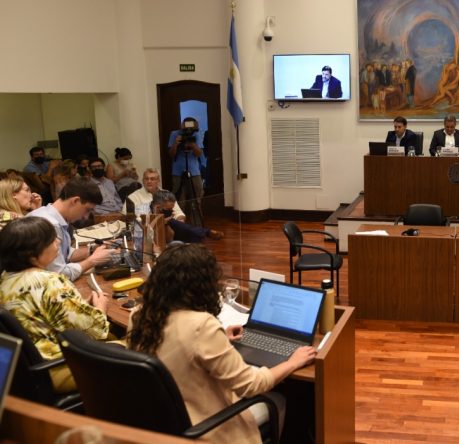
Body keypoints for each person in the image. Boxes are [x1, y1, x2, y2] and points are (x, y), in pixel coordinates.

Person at [129, 243, 316, 444]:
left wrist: (220, 340)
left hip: (164, 422)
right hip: (204, 426)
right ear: (202, 284)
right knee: (284, 397)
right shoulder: (201, 326)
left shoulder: (139, 315)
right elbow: (253, 385)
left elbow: (176, 350)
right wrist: (293, 362)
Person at [0, 216, 109, 392]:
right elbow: (96, 330)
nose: (58, 241)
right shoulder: (49, 282)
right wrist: (101, 307)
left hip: (25, 371)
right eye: (51, 240)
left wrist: (77, 305)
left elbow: (40, 314)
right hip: (59, 366)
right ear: (32, 254)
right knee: (136, 346)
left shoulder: (5, 278)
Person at [28, 177, 114, 281]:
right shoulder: (50, 225)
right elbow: (59, 275)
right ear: (75, 201)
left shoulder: (49, 214)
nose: (86, 217)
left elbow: (65, 253)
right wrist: (92, 261)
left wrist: (92, 250)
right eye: (87, 210)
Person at [150, 190, 223, 242]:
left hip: (173, 232)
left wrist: (166, 223)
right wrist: (163, 222)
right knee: (174, 223)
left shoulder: (166, 211)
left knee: (194, 237)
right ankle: (206, 232)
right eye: (168, 209)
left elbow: (179, 215)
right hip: (155, 237)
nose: (171, 211)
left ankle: (203, 234)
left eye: (171, 209)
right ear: (158, 207)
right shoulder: (147, 212)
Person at [168, 117, 205, 211]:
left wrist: (193, 145)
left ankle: (196, 214)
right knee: (179, 195)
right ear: (182, 125)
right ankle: (179, 216)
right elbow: (171, 154)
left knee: (198, 193)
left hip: (194, 170)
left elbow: (199, 154)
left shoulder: (196, 134)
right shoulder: (175, 134)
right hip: (177, 170)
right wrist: (176, 143)